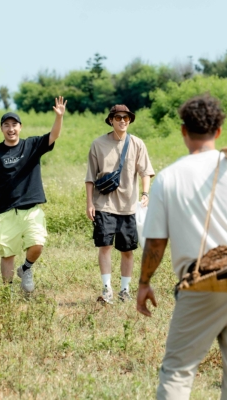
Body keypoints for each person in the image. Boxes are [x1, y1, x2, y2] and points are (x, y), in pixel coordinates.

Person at [136, 94, 227, 400]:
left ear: (183, 130)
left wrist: (144, 282)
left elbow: (156, 241)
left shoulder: (169, 178)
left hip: (202, 284)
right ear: (219, 130)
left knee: (178, 370)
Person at [0, 96, 67, 292]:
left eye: (14, 125)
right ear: (2, 129)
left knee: (37, 244)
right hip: (6, 211)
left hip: (31, 209)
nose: (11, 129)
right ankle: (7, 294)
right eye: (6, 125)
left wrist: (59, 117)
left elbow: (53, 136)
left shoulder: (31, 145)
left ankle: (26, 268)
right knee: (7, 254)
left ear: (20, 127)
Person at [85, 104, 155, 303]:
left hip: (128, 206)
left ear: (130, 120)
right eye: (118, 118)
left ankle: (125, 290)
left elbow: (145, 171)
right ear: (111, 120)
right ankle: (107, 289)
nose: (122, 121)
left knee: (127, 250)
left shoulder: (137, 143)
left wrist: (145, 193)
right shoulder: (98, 144)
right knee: (105, 246)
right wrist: (89, 202)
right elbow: (90, 177)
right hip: (103, 204)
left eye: (126, 117)